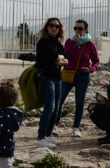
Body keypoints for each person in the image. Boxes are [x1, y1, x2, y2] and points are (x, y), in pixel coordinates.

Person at [57, 19, 100, 138]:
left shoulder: (90, 44)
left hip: (82, 75)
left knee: (79, 102)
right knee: (59, 100)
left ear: (86, 30)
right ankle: (55, 124)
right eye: (75, 28)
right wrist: (73, 43)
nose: (77, 31)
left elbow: (96, 61)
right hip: (68, 73)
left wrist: (91, 69)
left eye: (80, 28)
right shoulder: (69, 41)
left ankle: (76, 128)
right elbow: (65, 56)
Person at [35, 18, 67, 148]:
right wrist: (58, 59)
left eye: (57, 26)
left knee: (57, 108)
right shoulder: (43, 43)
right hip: (47, 77)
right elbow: (54, 59)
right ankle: (41, 137)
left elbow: (66, 60)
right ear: (47, 27)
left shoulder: (58, 43)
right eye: (51, 25)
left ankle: (48, 135)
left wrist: (58, 59)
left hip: (58, 78)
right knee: (49, 108)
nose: (54, 28)